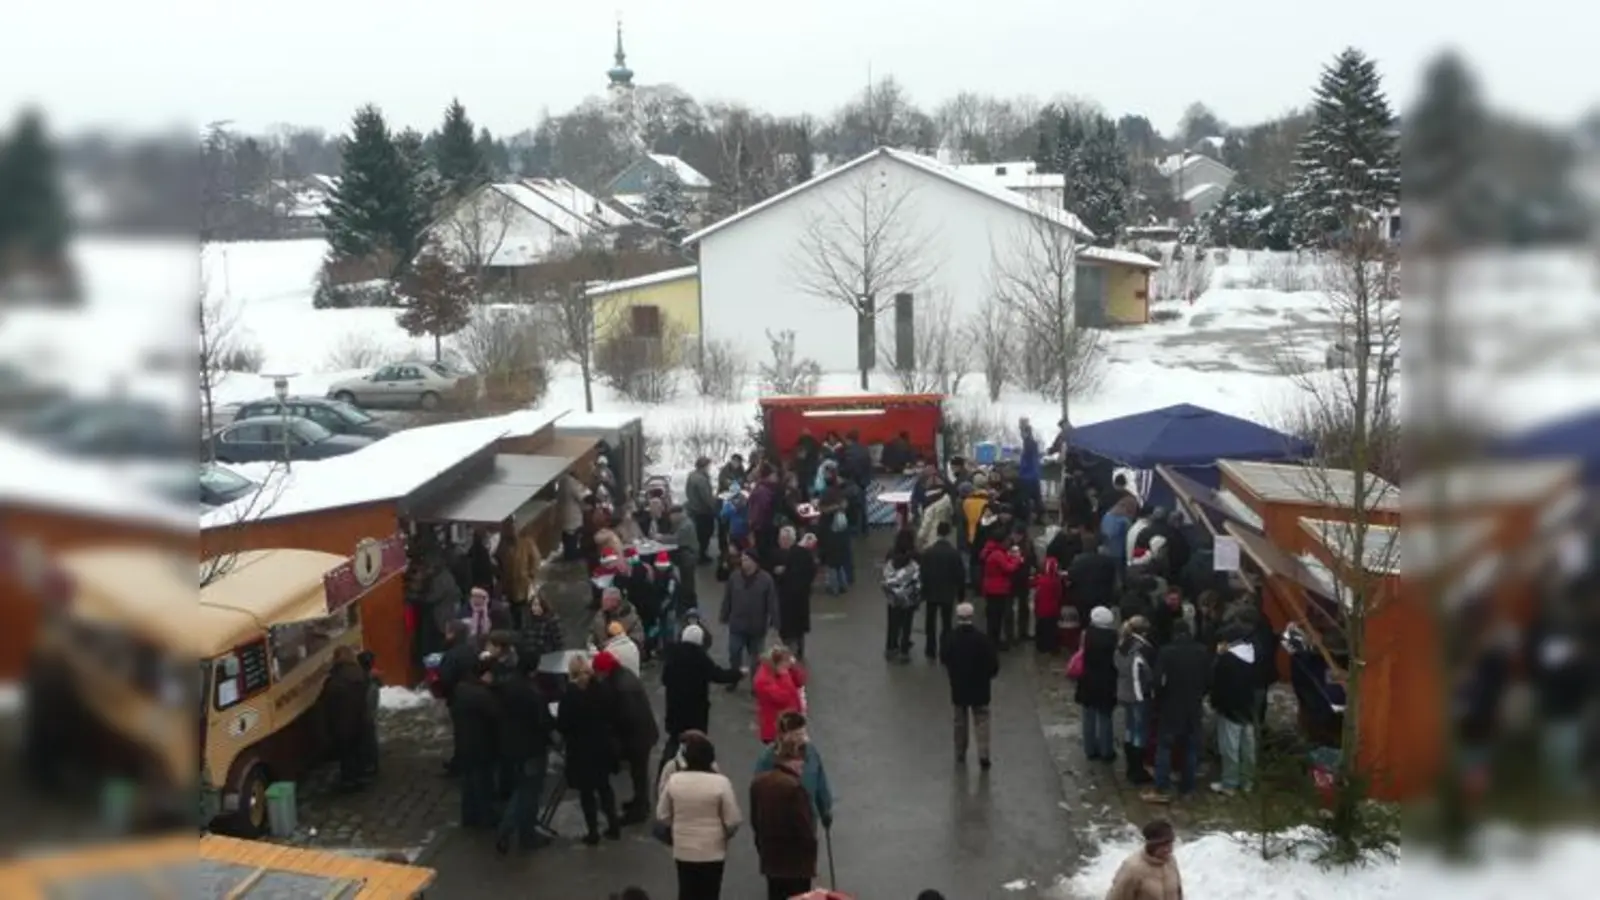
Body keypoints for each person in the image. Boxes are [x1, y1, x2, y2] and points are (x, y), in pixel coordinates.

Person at [657, 733, 743, 900]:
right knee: (710, 893)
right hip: (713, 851)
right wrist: (724, 835)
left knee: (687, 891)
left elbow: (662, 815)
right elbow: (733, 819)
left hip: (684, 849)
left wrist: (677, 827)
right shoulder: (720, 783)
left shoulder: (674, 781)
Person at [660, 624, 743, 786]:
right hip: (696, 713)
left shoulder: (672, 656)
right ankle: (697, 777)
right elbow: (719, 675)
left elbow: (665, 679)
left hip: (675, 710)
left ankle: (663, 777)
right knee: (697, 745)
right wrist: (738, 673)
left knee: (673, 743)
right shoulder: (701, 658)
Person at [557, 654, 623, 844]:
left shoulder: (570, 696)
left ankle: (593, 831)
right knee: (604, 788)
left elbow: (563, 725)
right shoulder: (601, 689)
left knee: (587, 793)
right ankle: (613, 825)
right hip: (602, 746)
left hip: (581, 750)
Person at [1144, 619, 1211, 803]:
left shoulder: (1166, 652)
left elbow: (1158, 681)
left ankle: (1162, 787)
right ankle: (1187, 788)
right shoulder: (1202, 651)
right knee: (1190, 748)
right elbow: (1208, 680)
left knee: (1164, 747)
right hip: (1193, 706)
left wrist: (1159, 696)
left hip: (1171, 706)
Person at [494, 654, 554, 854]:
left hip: (511, 746)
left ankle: (521, 831)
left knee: (521, 789)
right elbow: (543, 721)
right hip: (531, 748)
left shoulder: (509, 685)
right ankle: (517, 832)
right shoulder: (533, 692)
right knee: (527, 793)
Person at [593, 650, 659, 825]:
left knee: (639, 773)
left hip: (637, 738)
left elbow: (625, 716)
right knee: (639, 773)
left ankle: (640, 810)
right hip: (643, 734)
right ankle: (639, 802)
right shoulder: (624, 675)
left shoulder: (620, 686)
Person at [749, 736, 819, 900]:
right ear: (792, 759)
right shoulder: (795, 788)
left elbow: (755, 820)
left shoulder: (758, 783)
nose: (803, 764)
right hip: (796, 864)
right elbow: (805, 828)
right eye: (801, 759)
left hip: (771, 858)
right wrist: (811, 857)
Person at [940, 602, 1000, 770]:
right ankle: (984, 754)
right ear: (972, 617)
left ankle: (960, 753)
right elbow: (993, 664)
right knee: (982, 721)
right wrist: (988, 676)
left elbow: (944, 658)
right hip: (980, 687)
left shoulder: (950, 638)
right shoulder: (982, 639)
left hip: (959, 687)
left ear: (957, 617)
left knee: (960, 721)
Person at [752, 711, 834, 831]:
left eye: (804, 733)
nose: (805, 738)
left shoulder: (811, 753)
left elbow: (820, 782)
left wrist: (825, 809)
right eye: (798, 734)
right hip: (779, 824)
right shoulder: (768, 759)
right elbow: (759, 792)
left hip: (807, 819)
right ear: (784, 735)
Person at [1209, 625, 1260, 795]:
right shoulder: (1254, 655)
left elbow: (1217, 682)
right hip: (1248, 707)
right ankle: (1248, 781)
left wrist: (1218, 656)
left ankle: (1229, 783)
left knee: (1229, 748)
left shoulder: (1227, 660)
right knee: (1248, 747)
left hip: (1230, 708)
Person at [452, 656, 501, 829]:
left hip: (465, 742)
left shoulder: (462, 689)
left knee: (469, 784)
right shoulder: (483, 695)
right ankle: (486, 818)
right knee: (483, 784)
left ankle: (469, 817)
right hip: (482, 745)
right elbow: (496, 717)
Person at [719, 549, 779, 679]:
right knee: (734, 652)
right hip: (737, 624)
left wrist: (775, 622)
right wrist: (724, 615)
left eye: (746, 559)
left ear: (755, 562)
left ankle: (756, 682)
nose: (743, 562)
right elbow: (728, 598)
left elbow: (772, 602)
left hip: (756, 626)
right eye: (742, 559)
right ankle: (734, 677)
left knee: (757, 657)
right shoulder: (734, 577)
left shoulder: (766, 579)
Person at [1114, 615, 1157, 785]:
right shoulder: (1143, 649)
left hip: (1124, 692)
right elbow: (1149, 674)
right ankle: (1137, 770)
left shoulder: (1122, 645)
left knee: (1130, 729)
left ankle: (1130, 766)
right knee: (1140, 731)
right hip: (1139, 694)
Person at [321, 645, 370, 791]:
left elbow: (327, 703)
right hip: (360, 719)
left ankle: (349, 780)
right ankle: (360, 776)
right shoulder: (360, 674)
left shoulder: (335, 680)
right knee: (357, 749)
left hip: (342, 722)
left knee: (346, 753)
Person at [1077, 606, 1121, 762]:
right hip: (1106, 680)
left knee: (1088, 716)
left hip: (1087, 678)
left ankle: (1090, 749)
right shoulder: (1113, 636)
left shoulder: (1086, 634)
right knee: (1105, 717)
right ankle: (1106, 750)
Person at [436, 620, 479, 776]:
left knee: (461, 733)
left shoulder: (452, 654)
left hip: (457, 698)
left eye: (448, 632)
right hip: (472, 695)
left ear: (453, 634)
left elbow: (445, 678)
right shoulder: (471, 650)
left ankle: (461, 764)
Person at [918, 521, 965, 663]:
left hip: (931, 593)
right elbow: (960, 575)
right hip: (947, 593)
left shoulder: (928, 552)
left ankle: (930, 650)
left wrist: (923, 592)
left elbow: (923, 574)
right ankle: (945, 652)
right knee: (946, 624)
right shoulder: (954, 553)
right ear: (949, 533)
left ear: (937, 532)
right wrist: (960, 595)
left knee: (930, 622)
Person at [1105, 819, 1183, 900]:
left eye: (1169, 844)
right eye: (1162, 845)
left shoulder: (1171, 862)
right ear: (1151, 845)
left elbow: (1179, 894)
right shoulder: (1133, 868)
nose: (1167, 849)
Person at [773, 526, 817, 660]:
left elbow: (803, 575)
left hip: (792, 600)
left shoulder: (798, 554)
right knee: (796, 631)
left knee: (791, 632)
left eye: (785, 539)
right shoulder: (780, 554)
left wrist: (782, 573)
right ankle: (797, 654)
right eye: (781, 539)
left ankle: (793, 658)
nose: (782, 541)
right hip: (793, 600)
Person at [753, 644, 807, 745]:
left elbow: (800, 681)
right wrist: (786, 676)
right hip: (776, 728)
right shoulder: (763, 680)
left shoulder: (782, 670)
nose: (788, 665)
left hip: (790, 723)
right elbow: (783, 698)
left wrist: (793, 668)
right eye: (786, 662)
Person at [881, 528, 922, 662]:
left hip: (893, 596)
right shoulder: (915, 555)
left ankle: (891, 647)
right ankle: (904, 649)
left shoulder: (891, 554)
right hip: (909, 597)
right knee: (906, 623)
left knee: (893, 622)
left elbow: (885, 572)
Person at [979, 533, 1024, 650]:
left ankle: (994, 640)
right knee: (995, 617)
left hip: (992, 588)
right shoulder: (997, 554)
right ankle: (993, 642)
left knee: (994, 617)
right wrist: (1017, 559)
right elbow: (1009, 568)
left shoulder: (994, 552)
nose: (1009, 543)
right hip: (997, 589)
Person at [496, 519, 540, 630]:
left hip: (524, 584)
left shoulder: (526, 543)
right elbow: (499, 562)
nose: (510, 531)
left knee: (525, 610)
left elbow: (535, 560)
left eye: (512, 528)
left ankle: (527, 629)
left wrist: (530, 575)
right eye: (507, 528)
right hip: (510, 586)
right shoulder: (503, 545)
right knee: (514, 611)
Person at [686, 457, 720, 564]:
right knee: (705, 533)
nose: (709, 468)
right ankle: (702, 555)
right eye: (708, 466)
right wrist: (714, 506)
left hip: (694, 508)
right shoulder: (701, 479)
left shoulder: (692, 476)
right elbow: (706, 497)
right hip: (703, 511)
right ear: (703, 466)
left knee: (699, 533)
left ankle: (700, 554)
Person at [591, 586, 645, 650]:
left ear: (616, 601)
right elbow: (592, 633)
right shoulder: (599, 616)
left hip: (624, 654)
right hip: (602, 654)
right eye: (603, 599)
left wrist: (619, 643)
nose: (603, 602)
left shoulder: (631, 618)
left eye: (606, 600)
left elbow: (638, 639)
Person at [518, 589, 565, 663]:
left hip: (548, 658)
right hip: (529, 659)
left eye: (537, 605)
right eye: (533, 605)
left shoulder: (552, 621)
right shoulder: (528, 620)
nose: (535, 608)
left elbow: (558, 643)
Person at [1033, 553, 1064, 654]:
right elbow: (1059, 595)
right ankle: (1052, 647)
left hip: (1041, 609)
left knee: (1041, 628)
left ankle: (1041, 646)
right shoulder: (1057, 581)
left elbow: (1037, 595)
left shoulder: (1040, 580)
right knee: (1052, 629)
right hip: (1053, 609)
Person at [356, 649, 381, 777]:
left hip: (366, 713)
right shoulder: (372, 678)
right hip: (370, 713)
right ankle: (372, 763)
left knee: (368, 738)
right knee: (371, 737)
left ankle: (370, 764)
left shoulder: (366, 679)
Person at [1017, 417, 1043, 525]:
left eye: (1022, 432)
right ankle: (1039, 518)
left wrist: (1021, 468)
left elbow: (1027, 460)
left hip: (1027, 475)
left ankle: (1027, 518)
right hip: (1034, 474)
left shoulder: (1028, 443)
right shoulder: (1032, 442)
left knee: (1026, 499)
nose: (1021, 434)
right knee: (1037, 498)